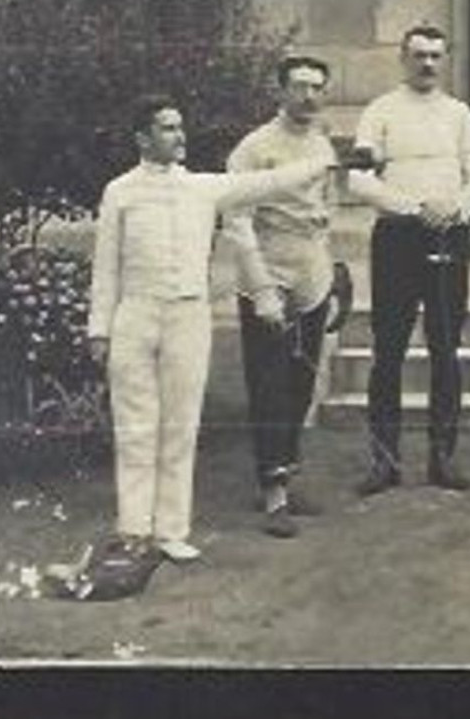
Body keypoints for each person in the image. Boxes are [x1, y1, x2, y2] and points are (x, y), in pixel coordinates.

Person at [87, 94, 333, 562]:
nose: (179, 136)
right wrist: (100, 328)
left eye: (180, 127)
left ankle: (171, 531)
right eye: (167, 128)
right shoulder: (119, 191)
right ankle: (134, 528)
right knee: (136, 425)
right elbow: (106, 268)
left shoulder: (203, 188)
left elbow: (270, 181)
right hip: (135, 316)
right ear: (143, 138)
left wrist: (323, 161)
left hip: (188, 317)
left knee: (181, 424)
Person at [347, 24, 470, 496]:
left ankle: (442, 458)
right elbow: (360, 182)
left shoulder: (459, 113)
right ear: (403, 60)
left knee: (446, 348)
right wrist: (414, 208)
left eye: (435, 56)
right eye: (419, 56)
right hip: (398, 239)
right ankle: (384, 462)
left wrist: (458, 207)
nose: (427, 64)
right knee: (388, 350)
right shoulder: (380, 112)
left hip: (450, 237)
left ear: (444, 60)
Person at [222, 55, 350, 539]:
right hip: (268, 271)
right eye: (299, 87)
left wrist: (332, 276)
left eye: (317, 87)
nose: (309, 96)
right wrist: (261, 290)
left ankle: (286, 473)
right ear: (280, 91)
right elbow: (236, 220)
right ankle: (272, 491)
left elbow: (327, 212)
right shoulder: (254, 148)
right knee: (269, 382)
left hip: (310, 271)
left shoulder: (320, 143)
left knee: (301, 380)